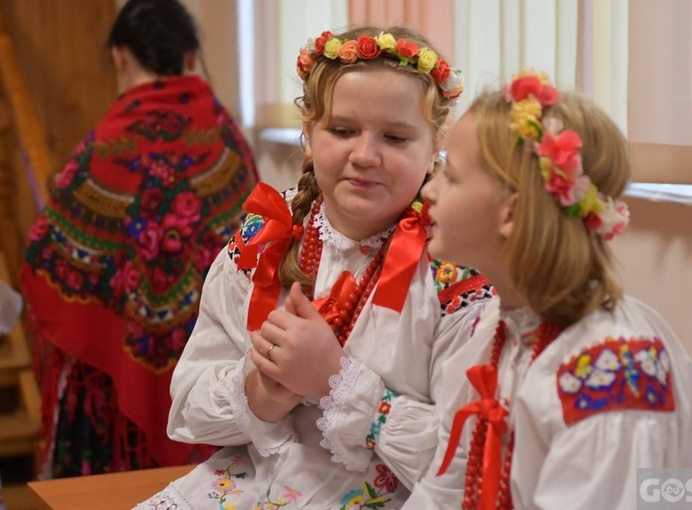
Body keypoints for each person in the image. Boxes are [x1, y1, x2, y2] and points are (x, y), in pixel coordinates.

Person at [135, 25, 493, 509]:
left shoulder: (458, 271)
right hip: (245, 487)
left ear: (434, 147)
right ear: (308, 135)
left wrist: (336, 383)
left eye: (395, 136)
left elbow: (470, 463)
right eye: (342, 130)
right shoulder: (265, 240)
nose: (365, 155)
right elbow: (188, 410)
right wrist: (263, 391)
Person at [405, 71, 692, 509]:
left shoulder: (610, 374)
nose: (429, 189)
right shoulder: (499, 326)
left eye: (451, 176)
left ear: (511, 212)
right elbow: (448, 487)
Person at [20, 0, 258, 478]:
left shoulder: (106, 145)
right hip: (221, 367)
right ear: (191, 56)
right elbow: (255, 237)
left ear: (120, 56)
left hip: (120, 391)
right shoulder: (226, 137)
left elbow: (47, 255)